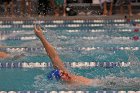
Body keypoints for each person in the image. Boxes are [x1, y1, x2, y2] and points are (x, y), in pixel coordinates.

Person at [34, 25, 102, 86]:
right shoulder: (69, 87)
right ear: (59, 79)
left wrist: (41, 37)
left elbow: (54, 57)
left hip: (102, 83)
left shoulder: (70, 77)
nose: (65, 74)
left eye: (63, 72)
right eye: (62, 74)